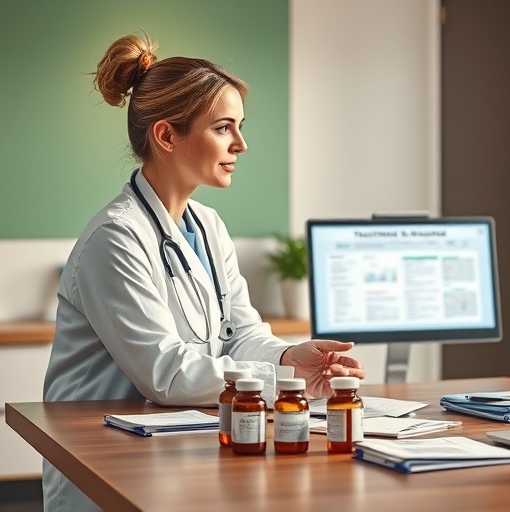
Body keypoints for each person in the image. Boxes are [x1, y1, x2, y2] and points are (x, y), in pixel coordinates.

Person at [42, 33, 366, 510]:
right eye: (223, 128)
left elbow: (241, 332)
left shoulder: (207, 226)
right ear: (167, 135)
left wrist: (288, 358)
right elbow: (166, 374)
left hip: (177, 454)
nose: (242, 143)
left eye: (240, 126)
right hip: (104, 467)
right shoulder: (115, 238)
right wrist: (283, 383)